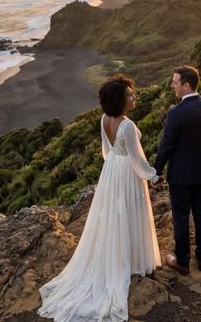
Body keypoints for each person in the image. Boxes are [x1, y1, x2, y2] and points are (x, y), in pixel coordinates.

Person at [38, 74, 161, 322]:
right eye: (129, 94)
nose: (133, 96)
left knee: (114, 217)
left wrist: (114, 167)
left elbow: (107, 151)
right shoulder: (127, 125)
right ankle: (132, 260)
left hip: (112, 170)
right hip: (126, 172)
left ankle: (120, 256)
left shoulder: (105, 119)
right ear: (120, 100)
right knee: (130, 213)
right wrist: (153, 175)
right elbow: (138, 161)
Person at [153, 65, 201, 275]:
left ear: (186, 85)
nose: (172, 85)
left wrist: (157, 170)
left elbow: (167, 146)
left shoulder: (176, 113)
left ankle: (182, 261)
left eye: (175, 82)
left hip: (180, 176)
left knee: (181, 216)